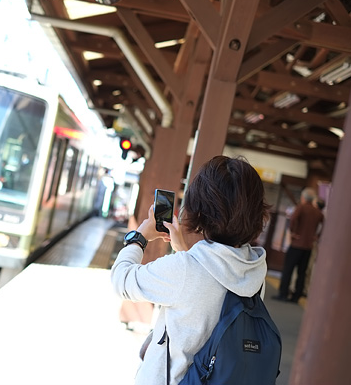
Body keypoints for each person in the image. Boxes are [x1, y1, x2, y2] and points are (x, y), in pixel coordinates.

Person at [111, 155, 271, 385]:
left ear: (201, 208)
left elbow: (121, 280)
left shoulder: (185, 270)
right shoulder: (255, 273)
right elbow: (209, 287)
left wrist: (139, 237)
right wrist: (183, 252)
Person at [274, 188, 324, 303]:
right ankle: (296, 296)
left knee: (288, 270)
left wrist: (293, 232)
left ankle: (283, 293)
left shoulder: (301, 207)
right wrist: (317, 236)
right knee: (302, 272)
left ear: (303, 198)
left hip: (297, 244)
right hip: (308, 247)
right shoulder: (318, 212)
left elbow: (293, 219)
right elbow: (324, 224)